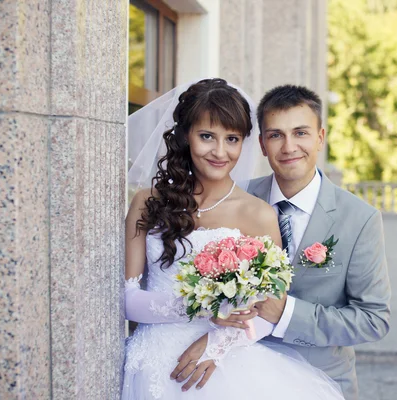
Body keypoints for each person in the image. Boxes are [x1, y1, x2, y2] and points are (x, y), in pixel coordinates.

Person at [122, 78, 344, 399]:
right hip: (151, 362)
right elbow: (128, 300)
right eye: (207, 136)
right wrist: (200, 308)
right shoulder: (148, 202)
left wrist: (217, 343)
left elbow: (270, 312)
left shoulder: (259, 214)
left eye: (233, 139)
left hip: (221, 366)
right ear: (185, 136)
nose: (220, 152)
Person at [181, 84, 392, 400]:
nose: (289, 146)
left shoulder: (359, 219)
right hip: (235, 376)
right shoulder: (234, 199)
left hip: (319, 379)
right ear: (263, 144)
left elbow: (373, 319)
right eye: (276, 135)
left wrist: (287, 313)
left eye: (301, 133)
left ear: (320, 138)